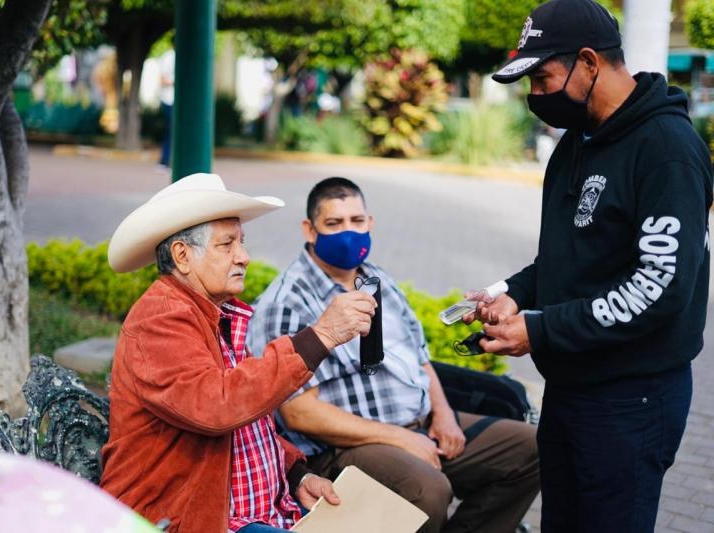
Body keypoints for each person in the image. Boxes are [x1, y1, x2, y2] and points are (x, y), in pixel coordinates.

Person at [472, 0, 713, 531]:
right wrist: (514, 293)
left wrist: (539, 329)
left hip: (632, 399)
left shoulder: (666, 151)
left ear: (588, 62)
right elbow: (569, 257)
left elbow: (659, 286)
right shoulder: (577, 142)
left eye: (542, 78)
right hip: (571, 387)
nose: (536, 96)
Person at [247, 177, 540, 533]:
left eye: (357, 221)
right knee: (426, 490)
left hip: (420, 425)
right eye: (334, 223)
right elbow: (299, 413)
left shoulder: (375, 279)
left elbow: (420, 357)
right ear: (310, 230)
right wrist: (397, 437)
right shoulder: (287, 302)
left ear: (370, 223)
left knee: (531, 448)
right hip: (345, 447)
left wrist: (443, 414)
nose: (348, 233)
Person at [100, 173, 378, 533]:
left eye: (241, 242)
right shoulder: (160, 318)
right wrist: (322, 335)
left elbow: (250, 426)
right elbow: (217, 406)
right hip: (190, 521)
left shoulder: (214, 313)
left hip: (258, 512)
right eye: (227, 245)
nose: (244, 257)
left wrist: (296, 475)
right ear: (182, 256)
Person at [158, 48, 174, 169]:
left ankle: (169, 160)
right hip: (169, 100)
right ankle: (164, 161)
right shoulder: (169, 56)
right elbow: (162, 79)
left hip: (175, 101)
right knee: (171, 131)